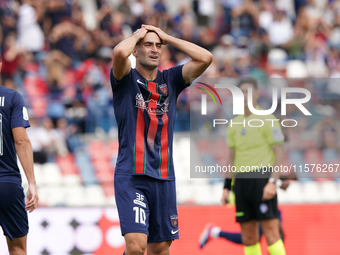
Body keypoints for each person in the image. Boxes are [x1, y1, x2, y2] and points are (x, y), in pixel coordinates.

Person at [110, 24, 212, 255]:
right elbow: (118, 53)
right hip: (132, 175)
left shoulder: (171, 79)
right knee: (136, 246)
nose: (155, 49)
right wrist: (138, 35)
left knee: (160, 249)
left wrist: (168, 37)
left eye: (158, 46)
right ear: (135, 51)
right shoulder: (126, 77)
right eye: (148, 45)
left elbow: (205, 58)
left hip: (164, 176)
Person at [202, 78, 286, 255]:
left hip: (262, 180)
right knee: (248, 237)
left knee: (271, 233)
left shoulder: (267, 118)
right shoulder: (234, 124)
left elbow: (279, 152)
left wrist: (273, 182)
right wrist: (226, 187)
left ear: (256, 93)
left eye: (248, 92)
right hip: (241, 182)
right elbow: (232, 158)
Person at [0, 59, 39, 254]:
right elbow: (21, 141)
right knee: (17, 249)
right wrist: (31, 182)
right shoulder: (12, 97)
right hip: (6, 184)